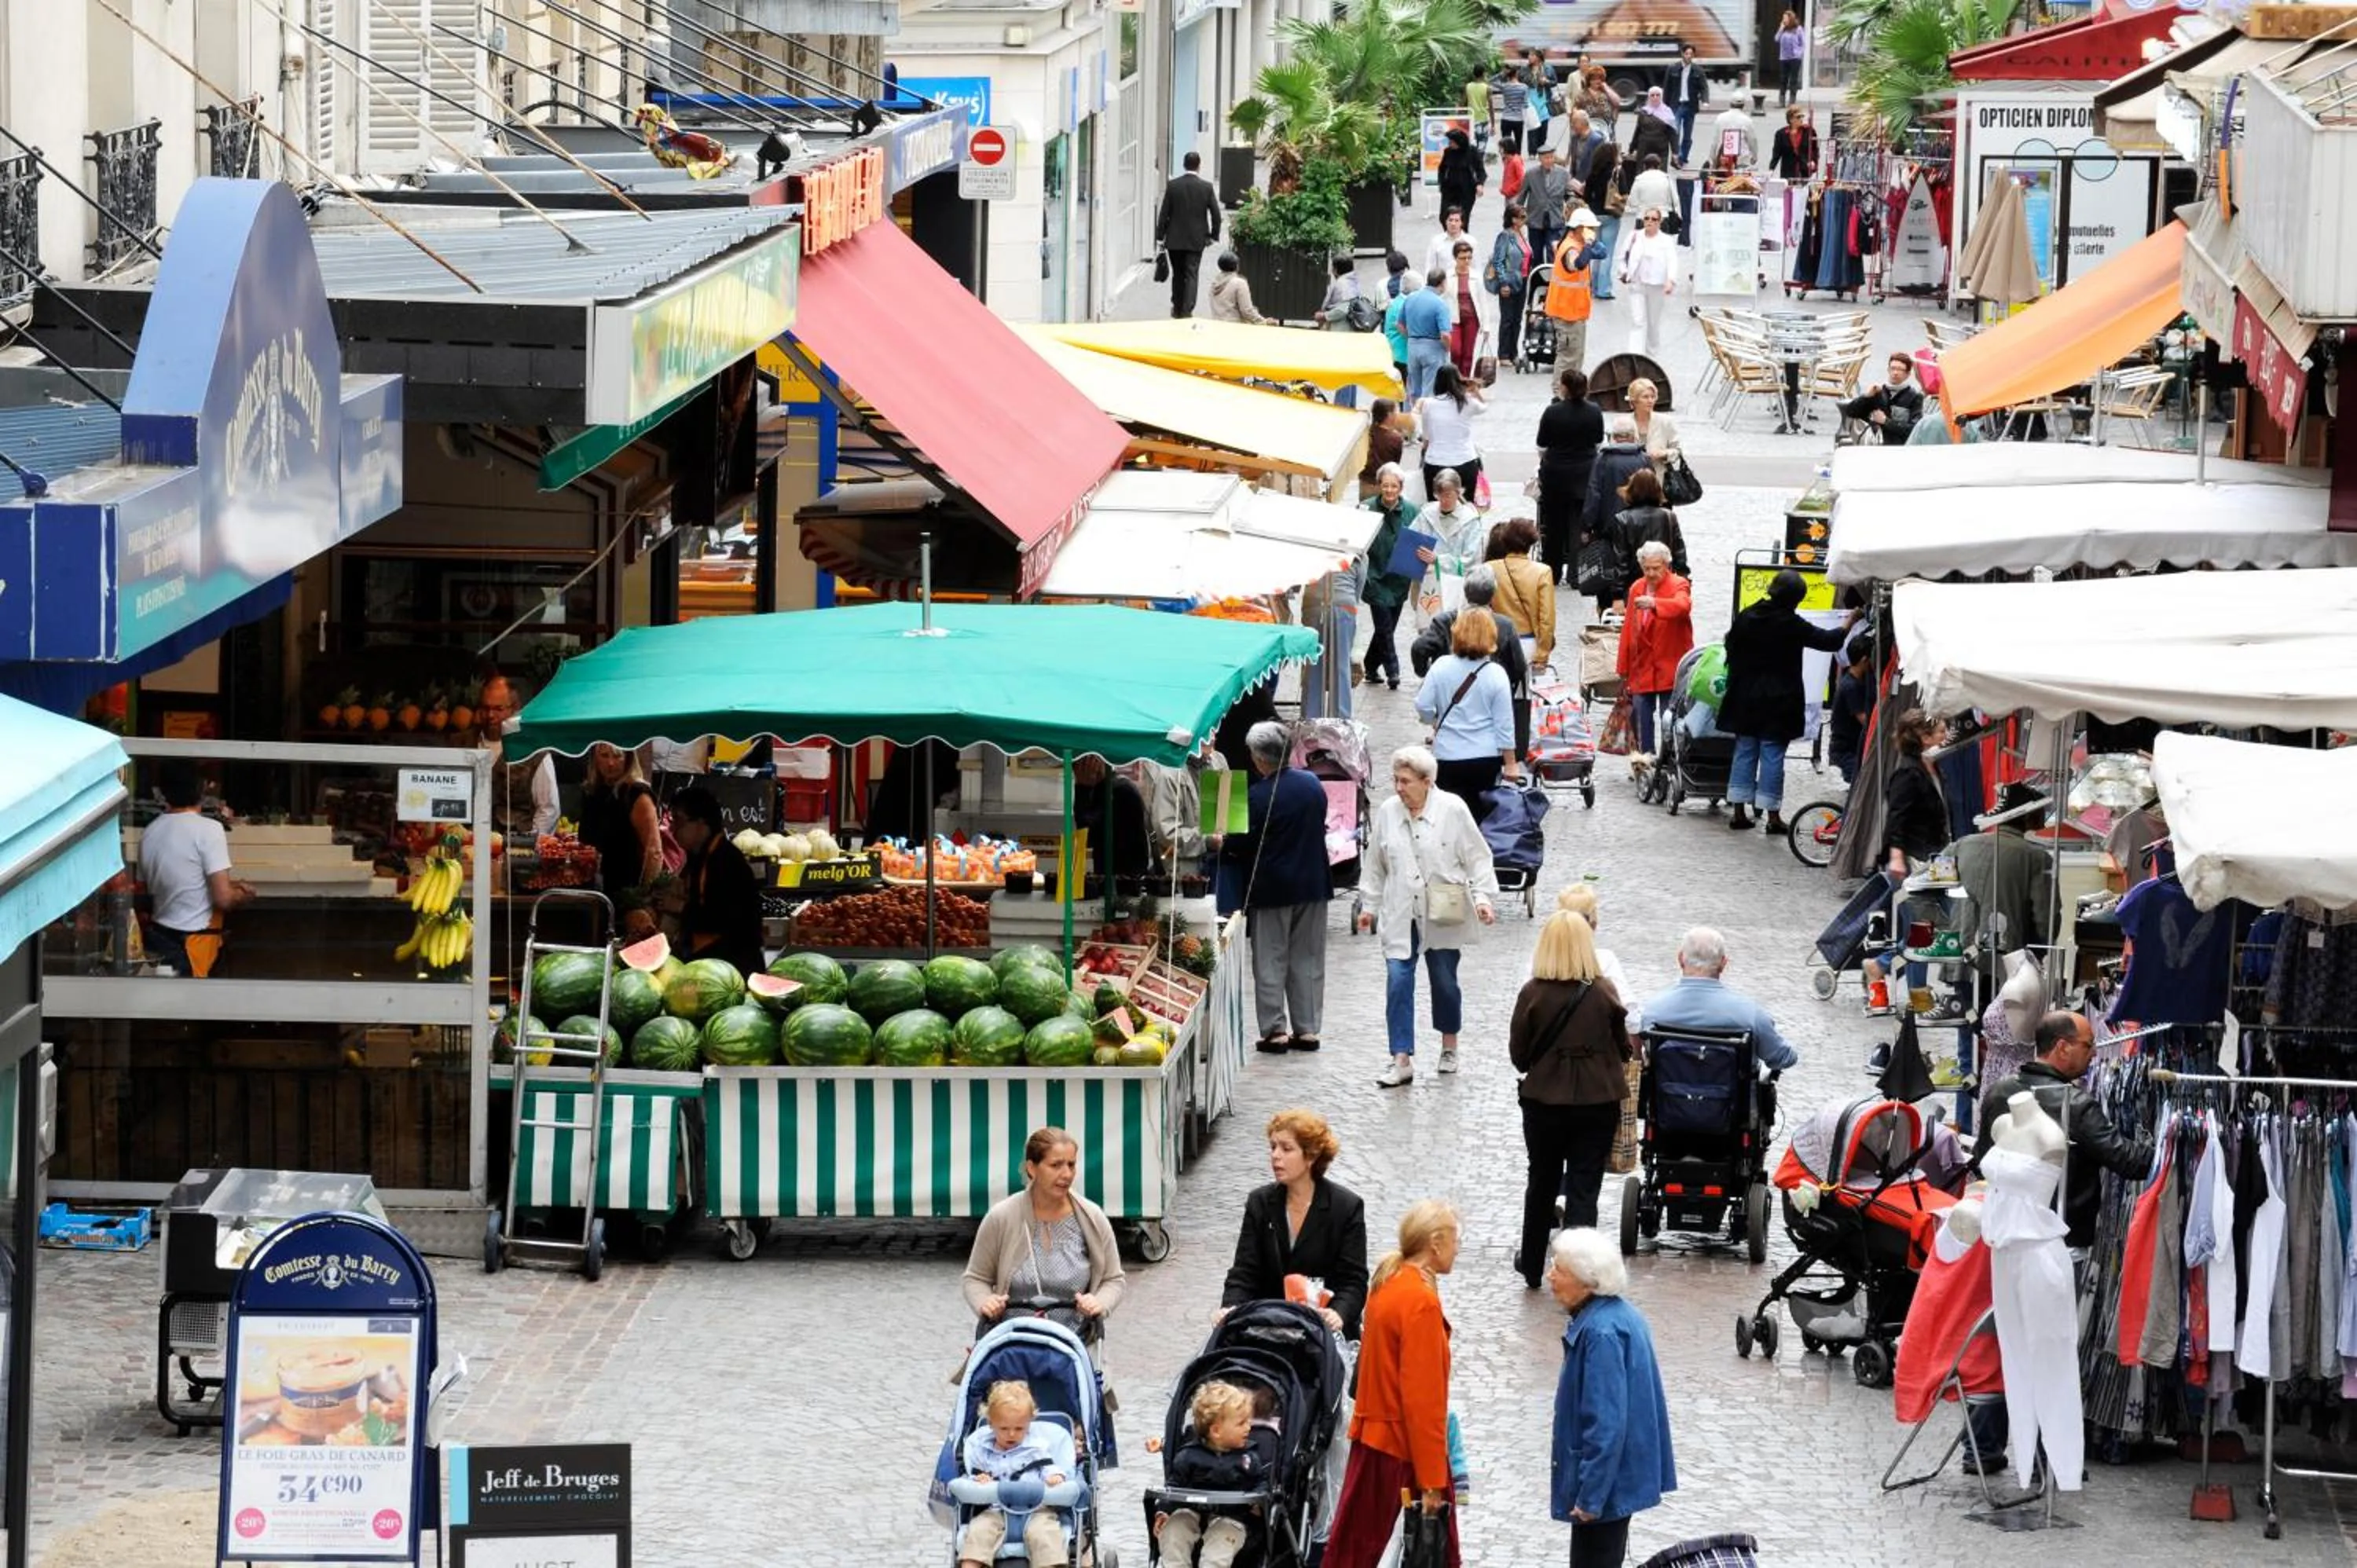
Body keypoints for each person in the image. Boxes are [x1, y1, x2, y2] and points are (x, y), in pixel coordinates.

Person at [1963, 1011, 2156, 1473]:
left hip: (2009, 1240)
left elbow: (1982, 1161)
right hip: (2059, 1244)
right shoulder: (2075, 1105)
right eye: (2089, 1046)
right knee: (2050, 1349)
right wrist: (2166, 1144)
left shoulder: (2002, 1092)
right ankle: (2047, 1455)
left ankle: (1983, 1448)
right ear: (2062, 1047)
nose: (2094, 1056)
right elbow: (2128, 1160)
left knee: (2006, 1342)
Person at [1323, 1201, 1463, 1566]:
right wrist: (1432, 1480)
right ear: (1435, 1243)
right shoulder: (1420, 1301)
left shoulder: (1389, 1281)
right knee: (1437, 1553)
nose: (1458, 1248)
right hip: (1403, 1446)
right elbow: (1423, 1400)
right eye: (1455, 1240)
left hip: (1375, 1437)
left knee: (1351, 1549)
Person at [1358, 748, 1499, 1086]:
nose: (1399, 788)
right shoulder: (1389, 812)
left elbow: (1478, 857)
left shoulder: (1453, 809)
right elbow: (1375, 863)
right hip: (1401, 911)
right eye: (1396, 780)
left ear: (1427, 782)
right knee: (1398, 981)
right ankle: (1401, 1057)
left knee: (1445, 982)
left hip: (1442, 911)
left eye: (1406, 781)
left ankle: (1449, 1044)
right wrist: (1369, 906)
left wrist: (1482, 898)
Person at [1511, 912, 1632, 1283]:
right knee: (1584, 1186)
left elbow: (1519, 1056)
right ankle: (1579, 1272)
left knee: (1542, 1181)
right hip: (1597, 1101)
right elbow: (1623, 1048)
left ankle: (1533, 1264)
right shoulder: (1604, 991)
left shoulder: (1532, 993)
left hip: (1544, 1101)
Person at [1548, 1230, 1678, 1568]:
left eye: (1559, 1269)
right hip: (1617, 1480)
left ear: (1587, 1282)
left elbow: (1605, 1424)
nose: (1550, 1276)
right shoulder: (1618, 1317)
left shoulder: (1600, 1333)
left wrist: (1591, 1496)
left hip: (1607, 1485)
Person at [1717, 570, 1860, 833]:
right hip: (1778, 701)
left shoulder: (1748, 615)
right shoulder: (1791, 623)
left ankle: (1738, 812)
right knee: (1772, 754)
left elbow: (1730, 645)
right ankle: (1772, 817)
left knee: (1745, 750)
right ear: (1796, 599)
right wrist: (1850, 622)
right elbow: (1829, 641)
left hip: (1744, 697)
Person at [1222, 722, 1334, 1053]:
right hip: (1313, 883)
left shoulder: (1257, 796)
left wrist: (1220, 842)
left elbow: (1238, 844)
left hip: (1271, 887)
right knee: (1308, 957)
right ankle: (1307, 1029)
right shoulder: (1312, 784)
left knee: (1270, 958)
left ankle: (1275, 1031)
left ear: (1259, 758)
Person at [963, 1127, 1128, 1339]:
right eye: (1056, 1165)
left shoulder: (1092, 1218)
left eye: (1071, 1165)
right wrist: (986, 1302)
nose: (1067, 1174)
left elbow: (1114, 1279)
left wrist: (1099, 1304)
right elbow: (976, 1278)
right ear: (1032, 1168)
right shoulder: (1001, 1217)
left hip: (1075, 1343)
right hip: (1013, 1344)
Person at [1219, 1108, 1370, 1336]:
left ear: (1311, 1156)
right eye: (1273, 1147)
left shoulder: (1346, 1207)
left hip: (1323, 1330)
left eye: (1286, 1149)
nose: (1275, 1156)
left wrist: (1338, 1313)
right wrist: (1230, 1308)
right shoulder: (1260, 1203)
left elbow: (1353, 1280)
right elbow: (1244, 1271)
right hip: (1268, 1326)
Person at [1642, 926, 1802, 1083]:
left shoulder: (1654, 1011)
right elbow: (1784, 1058)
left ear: (1680, 959)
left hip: (1667, 1100)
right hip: (1736, 1100)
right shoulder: (1750, 1014)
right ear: (1723, 963)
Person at [139, 762, 254, 976]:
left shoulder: (150, 832)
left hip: (158, 941)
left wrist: (231, 885)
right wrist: (243, 894)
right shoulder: (209, 830)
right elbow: (223, 899)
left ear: (162, 792)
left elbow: (174, 881)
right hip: (193, 946)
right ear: (202, 789)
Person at [1151, 1382, 1281, 1568]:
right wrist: (1164, 1511)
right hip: (1191, 1512)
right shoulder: (1188, 1456)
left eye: (1248, 1421)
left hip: (1231, 1518)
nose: (1249, 1428)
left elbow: (1261, 1482)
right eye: (1241, 1423)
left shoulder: (1248, 1458)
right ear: (1216, 1431)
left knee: (1219, 1547)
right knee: (1173, 1531)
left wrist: (1259, 1501)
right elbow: (1174, 1486)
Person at [956, 1379, 1076, 1568]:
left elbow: (1049, 1467)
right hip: (995, 1510)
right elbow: (974, 1476)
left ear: (1029, 1424)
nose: (1011, 1434)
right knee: (978, 1532)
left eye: (1019, 1429)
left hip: (1036, 1510)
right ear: (991, 1424)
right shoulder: (982, 1450)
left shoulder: (1036, 1449)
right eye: (1004, 1429)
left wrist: (1056, 1477)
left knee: (1046, 1535)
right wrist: (980, 1479)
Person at [1415, 610, 1519, 816]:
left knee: (1448, 817)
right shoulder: (1497, 674)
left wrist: (1434, 722)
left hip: (1447, 756)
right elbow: (1504, 724)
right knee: (1480, 819)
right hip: (1485, 758)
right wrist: (1511, 763)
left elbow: (1423, 705)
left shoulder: (1440, 666)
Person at [667, 786, 764, 978]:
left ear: (701, 823)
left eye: (678, 820)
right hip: (710, 964)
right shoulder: (699, 856)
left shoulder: (726, 861)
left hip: (733, 966)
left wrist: (680, 907)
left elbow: (726, 918)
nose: (673, 829)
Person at [1613, 542, 1692, 758]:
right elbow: (1628, 629)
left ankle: (1669, 758)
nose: (1650, 573)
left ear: (1666, 565)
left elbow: (1683, 606)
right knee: (1641, 715)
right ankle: (1645, 757)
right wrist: (1623, 667)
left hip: (1670, 663)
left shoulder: (1679, 584)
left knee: (1670, 716)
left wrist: (1655, 603)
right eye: (1646, 568)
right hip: (1643, 665)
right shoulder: (1637, 587)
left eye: (1656, 568)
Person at [1410, 566, 1529, 702]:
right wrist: (1503, 683)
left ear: (1465, 591)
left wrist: (1427, 672)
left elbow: (1419, 648)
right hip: (1489, 695)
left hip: (1450, 693)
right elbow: (1519, 667)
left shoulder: (1445, 621)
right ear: (1493, 595)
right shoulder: (1504, 625)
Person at [1536, 367, 1604, 580]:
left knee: (1554, 525)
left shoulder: (1552, 412)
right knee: (1579, 525)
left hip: (1556, 474)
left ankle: (1553, 571)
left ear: (1565, 387)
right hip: (1584, 473)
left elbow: (1542, 442)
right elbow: (1598, 439)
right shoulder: (1594, 411)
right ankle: (1577, 573)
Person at [476, 673, 559, 842]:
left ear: (515, 709)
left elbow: (548, 810)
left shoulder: (534, 751)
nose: (490, 715)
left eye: (498, 709)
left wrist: (528, 845)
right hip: (469, 847)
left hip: (517, 847)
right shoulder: (463, 743)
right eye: (485, 708)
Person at [580, 743, 662, 903]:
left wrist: (643, 898)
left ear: (629, 759)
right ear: (595, 759)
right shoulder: (592, 791)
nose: (611, 763)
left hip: (627, 892)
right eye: (604, 756)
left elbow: (654, 852)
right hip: (594, 889)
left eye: (617, 756)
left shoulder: (637, 794)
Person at [1361, 463, 1416, 689]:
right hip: (1374, 576)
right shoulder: (1366, 508)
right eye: (1385, 486)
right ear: (1379, 486)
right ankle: (1393, 671)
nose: (1390, 490)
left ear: (1401, 487)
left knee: (1387, 627)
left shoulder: (1412, 511)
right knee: (1384, 626)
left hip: (1399, 578)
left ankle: (1370, 665)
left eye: (1394, 486)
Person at [1408, 468, 1489, 620]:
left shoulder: (1470, 521)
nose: (1444, 500)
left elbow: (1473, 560)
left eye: (1448, 495)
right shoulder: (1426, 515)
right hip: (1428, 585)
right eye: (1440, 495)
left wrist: (1439, 560)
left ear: (1459, 493)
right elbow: (1410, 543)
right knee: (1428, 628)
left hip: (1457, 588)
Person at [1881, 709, 1950, 874]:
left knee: (1946, 888)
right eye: (1942, 732)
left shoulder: (1934, 767)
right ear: (1926, 738)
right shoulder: (1908, 774)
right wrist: (1896, 857)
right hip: (1917, 855)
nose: (1947, 735)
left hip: (1938, 849)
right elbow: (1896, 817)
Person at [1486, 516, 1556, 676]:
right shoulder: (1542, 572)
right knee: (1528, 688)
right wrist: (1542, 655)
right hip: (1529, 642)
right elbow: (1546, 618)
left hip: (1497, 641)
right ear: (1531, 543)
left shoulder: (1489, 568)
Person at [1157, 151, 1222, 318]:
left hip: (1174, 239)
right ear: (1199, 166)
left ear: (1183, 165)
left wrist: (1160, 236)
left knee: (1178, 273)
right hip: (1196, 239)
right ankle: (1188, 309)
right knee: (1192, 273)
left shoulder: (1173, 186)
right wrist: (1213, 236)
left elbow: (1164, 213)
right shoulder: (1206, 187)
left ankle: (1177, 306)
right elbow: (1216, 214)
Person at [1607, 466, 1690, 596]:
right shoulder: (1669, 516)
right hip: (1663, 581)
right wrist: (1683, 581)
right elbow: (1679, 553)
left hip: (1634, 584)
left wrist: (1617, 593)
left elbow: (1621, 559)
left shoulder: (1623, 519)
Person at [1543, 207, 1608, 373]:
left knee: (1576, 356)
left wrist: (1591, 243)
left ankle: (1570, 388)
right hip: (1567, 314)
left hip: (1574, 312)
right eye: (1590, 228)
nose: (1593, 231)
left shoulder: (1578, 244)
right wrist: (1588, 243)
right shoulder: (1571, 248)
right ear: (1579, 228)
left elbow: (1602, 253)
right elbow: (1579, 264)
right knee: (1568, 358)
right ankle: (1560, 389)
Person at [1069, 755, 1152, 880]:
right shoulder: (1107, 788)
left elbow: (1087, 835)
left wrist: (1083, 789)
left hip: (1123, 879)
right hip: (1116, 875)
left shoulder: (1118, 791)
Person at [1415, 366, 1488, 504]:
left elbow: (1427, 436)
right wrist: (1475, 391)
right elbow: (1484, 407)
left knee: (1435, 505)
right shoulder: (1467, 402)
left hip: (1435, 461)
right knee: (1467, 506)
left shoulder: (1429, 404)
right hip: (1465, 460)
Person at [1618, 207, 1678, 357]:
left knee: (1653, 322)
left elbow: (1672, 261)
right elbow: (1622, 257)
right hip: (1637, 284)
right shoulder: (1634, 236)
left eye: (1654, 219)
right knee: (1637, 321)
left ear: (1660, 222)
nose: (1650, 222)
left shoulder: (1666, 240)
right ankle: (1635, 356)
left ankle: (1652, 353)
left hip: (1657, 286)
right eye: (1647, 218)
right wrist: (1624, 272)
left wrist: (1670, 280)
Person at [1839, 353, 1926, 443]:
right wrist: (1866, 397)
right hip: (1876, 445)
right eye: (1893, 368)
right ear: (1888, 370)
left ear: (1908, 374)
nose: (1895, 373)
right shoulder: (1878, 392)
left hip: (1900, 447)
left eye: (1900, 370)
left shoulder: (1915, 397)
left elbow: (1915, 429)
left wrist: (1886, 422)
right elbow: (1851, 412)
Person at [1487, 203, 1534, 365]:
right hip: (1509, 281)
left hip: (1523, 280)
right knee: (1507, 319)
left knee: (1517, 319)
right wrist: (1503, 283)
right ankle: (1504, 354)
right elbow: (1498, 261)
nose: (1525, 220)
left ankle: (1513, 352)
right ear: (1513, 219)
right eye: (1522, 217)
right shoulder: (1505, 236)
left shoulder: (1522, 234)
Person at [1828, 636, 1875, 786]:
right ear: (1864, 660)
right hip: (1847, 750)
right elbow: (1865, 720)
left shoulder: (1856, 680)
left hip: (1851, 747)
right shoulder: (1851, 687)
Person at [1402, 268, 1453, 403]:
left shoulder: (1410, 298)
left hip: (1413, 347)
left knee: (1414, 388)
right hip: (1433, 348)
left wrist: (1411, 339)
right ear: (1442, 283)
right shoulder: (1440, 304)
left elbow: (1400, 324)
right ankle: (1425, 414)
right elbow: (1445, 335)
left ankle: (1412, 413)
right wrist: (1447, 349)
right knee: (1429, 389)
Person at [1582, 145, 1622, 300]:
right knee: (1608, 252)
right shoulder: (1616, 173)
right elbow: (1624, 192)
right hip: (1611, 215)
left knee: (1595, 250)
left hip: (1594, 215)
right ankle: (1604, 289)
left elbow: (1586, 197)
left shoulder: (1592, 173)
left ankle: (1593, 285)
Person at [1446, 240, 1489, 379]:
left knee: (1468, 353)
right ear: (1455, 258)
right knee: (1455, 351)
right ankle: (1454, 379)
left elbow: (1483, 302)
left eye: (1469, 258)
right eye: (1462, 258)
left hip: (1472, 319)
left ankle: (1464, 381)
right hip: (1453, 319)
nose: (1466, 261)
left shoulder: (1476, 276)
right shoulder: (1448, 276)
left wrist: (1486, 326)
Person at [1523, 147, 1571, 269]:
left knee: (1553, 253)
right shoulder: (1531, 174)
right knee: (1536, 254)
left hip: (1555, 220)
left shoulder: (1563, 174)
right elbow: (1521, 196)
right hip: (1535, 220)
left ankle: (1552, 278)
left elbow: (1569, 196)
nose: (1549, 160)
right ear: (1540, 159)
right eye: (1546, 158)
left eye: (1551, 157)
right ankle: (1537, 277)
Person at [1435, 132, 1486, 232]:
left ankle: (1462, 239)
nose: (1450, 144)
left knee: (1463, 220)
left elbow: (1480, 170)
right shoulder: (1448, 152)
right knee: (1444, 217)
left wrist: (1480, 184)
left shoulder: (1472, 151)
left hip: (1466, 190)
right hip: (1449, 190)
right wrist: (1442, 182)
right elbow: (1442, 169)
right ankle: (1450, 236)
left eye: (1452, 142)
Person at [1666, 45, 1708, 164]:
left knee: (1687, 135)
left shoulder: (1698, 70)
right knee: (1676, 131)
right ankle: (1676, 156)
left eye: (1691, 54)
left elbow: (1704, 87)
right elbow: (1667, 87)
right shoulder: (1673, 68)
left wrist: (1705, 101)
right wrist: (1665, 106)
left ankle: (1683, 156)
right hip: (1677, 105)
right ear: (1682, 54)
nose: (1689, 56)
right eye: (1687, 54)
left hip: (1690, 106)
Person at [1626, 376, 1680, 463]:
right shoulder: (1623, 423)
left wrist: (1664, 454)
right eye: (1645, 397)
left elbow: (1677, 451)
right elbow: (1614, 452)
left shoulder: (1666, 422)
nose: (1650, 401)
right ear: (1634, 401)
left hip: (1658, 470)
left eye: (1653, 397)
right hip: (1631, 470)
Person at [1361, 397, 1406, 494]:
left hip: (1365, 483)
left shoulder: (1366, 433)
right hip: (1385, 485)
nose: (1397, 414)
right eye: (1395, 412)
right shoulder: (1396, 439)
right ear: (1389, 415)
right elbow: (1395, 464)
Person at [1206, 251, 1266, 324]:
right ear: (1237, 266)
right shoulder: (1239, 283)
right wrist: (1264, 321)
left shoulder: (1214, 284)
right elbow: (1247, 311)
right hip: (1234, 327)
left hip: (1216, 325)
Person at [1623, 156, 1674, 240]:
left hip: (1643, 216)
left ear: (1644, 166)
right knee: (1662, 245)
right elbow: (1673, 199)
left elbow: (1633, 201)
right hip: (1662, 216)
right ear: (1659, 166)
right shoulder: (1666, 179)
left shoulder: (1639, 179)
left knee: (1641, 245)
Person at [1383, 273, 1420, 389]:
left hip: (1395, 351)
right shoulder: (1405, 305)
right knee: (1405, 389)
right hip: (1402, 354)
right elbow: (1407, 329)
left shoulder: (1397, 301)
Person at [1629, 89, 1677, 175]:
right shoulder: (1643, 112)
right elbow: (1638, 131)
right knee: (1641, 173)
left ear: (1661, 97)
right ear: (1649, 97)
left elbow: (1672, 134)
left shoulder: (1667, 112)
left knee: (1661, 174)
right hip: (1644, 148)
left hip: (1661, 149)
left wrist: (1675, 152)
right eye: (1652, 95)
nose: (1655, 97)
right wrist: (1632, 148)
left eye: (1658, 95)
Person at [1709, 89, 1756, 170]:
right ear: (1743, 105)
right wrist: (1754, 156)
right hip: (1742, 161)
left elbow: (1715, 141)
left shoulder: (1720, 118)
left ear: (1730, 103)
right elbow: (1752, 140)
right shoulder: (1747, 120)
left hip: (1723, 160)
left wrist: (1712, 158)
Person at [1769, 105, 1820, 181]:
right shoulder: (1781, 134)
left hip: (1805, 170)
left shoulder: (1809, 131)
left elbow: (1815, 149)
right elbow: (1776, 154)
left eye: (1802, 116)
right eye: (1798, 117)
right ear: (1791, 119)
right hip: (1788, 171)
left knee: (1805, 187)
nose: (1801, 119)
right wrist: (1771, 169)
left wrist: (1814, 161)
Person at [1423, 207, 1473, 281]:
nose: (1453, 224)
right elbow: (1430, 266)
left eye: (1457, 221)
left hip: (1464, 282)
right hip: (1442, 283)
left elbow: (1476, 267)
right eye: (1450, 220)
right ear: (1445, 222)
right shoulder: (1436, 242)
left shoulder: (1471, 241)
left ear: (1462, 223)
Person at [1491, 60, 1530, 155]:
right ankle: (1517, 160)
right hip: (1518, 119)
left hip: (1506, 118)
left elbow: (1491, 81)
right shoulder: (1524, 87)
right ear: (1516, 74)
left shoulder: (1505, 87)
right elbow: (1525, 104)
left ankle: (1506, 161)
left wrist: (1501, 74)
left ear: (1508, 75)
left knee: (1505, 144)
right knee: (1518, 143)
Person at [1318, 253, 1363, 333]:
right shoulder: (1353, 282)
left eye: (1332, 267)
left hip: (1341, 328)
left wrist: (1324, 316)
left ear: (1336, 270)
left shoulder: (1342, 284)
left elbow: (1344, 309)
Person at [1575, 64, 1621, 135]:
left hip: (1606, 128)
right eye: (1594, 79)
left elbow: (1617, 103)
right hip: (1589, 130)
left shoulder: (1607, 91)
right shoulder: (1583, 94)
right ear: (1589, 81)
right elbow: (1577, 111)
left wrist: (1606, 87)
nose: (1597, 81)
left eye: (1600, 79)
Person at [1564, 110, 1606, 187]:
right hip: (1576, 182)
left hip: (1590, 184)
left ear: (1582, 123)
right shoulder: (1574, 138)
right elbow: (1573, 162)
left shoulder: (1597, 140)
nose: (1572, 125)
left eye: (1574, 122)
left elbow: (1600, 166)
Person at [1776, 10, 1808, 106]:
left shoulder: (1798, 29)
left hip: (1795, 58)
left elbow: (1803, 43)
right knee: (1783, 79)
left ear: (1791, 19)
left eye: (1785, 18)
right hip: (1784, 58)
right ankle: (1781, 101)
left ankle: (1792, 102)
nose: (1784, 20)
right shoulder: (1783, 29)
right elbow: (1776, 39)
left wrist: (1799, 53)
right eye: (1783, 18)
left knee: (1793, 80)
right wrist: (1781, 28)